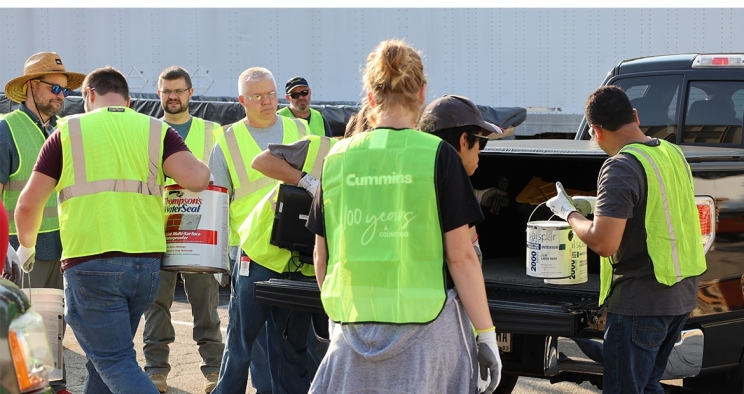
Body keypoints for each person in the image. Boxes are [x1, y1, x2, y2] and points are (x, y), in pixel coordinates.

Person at [306, 39, 502, 394]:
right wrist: (486, 334)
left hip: (352, 332)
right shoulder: (438, 155)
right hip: (428, 332)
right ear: (422, 93)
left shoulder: (336, 159)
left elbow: (323, 257)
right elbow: (461, 257)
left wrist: (341, 317)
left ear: (370, 97)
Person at [14, 66, 210, 394]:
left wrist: (27, 249)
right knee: (102, 362)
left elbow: (27, 205)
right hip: (145, 268)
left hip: (91, 265)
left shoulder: (68, 130)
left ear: (89, 95)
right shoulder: (154, 129)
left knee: (115, 361)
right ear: (129, 100)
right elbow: (197, 179)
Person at [546, 85, 706, 394]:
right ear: (635, 115)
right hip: (680, 296)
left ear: (594, 131)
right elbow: (656, 206)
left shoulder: (620, 167)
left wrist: (568, 213)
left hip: (640, 304)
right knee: (646, 386)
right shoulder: (670, 152)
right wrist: (597, 207)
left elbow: (605, 243)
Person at [210, 67, 308, 394]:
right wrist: (220, 260)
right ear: (242, 101)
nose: (267, 102)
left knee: (291, 348)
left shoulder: (300, 128)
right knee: (241, 347)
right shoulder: (226, 141)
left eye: (270, 94)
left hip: (297, 256)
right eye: (256, 97)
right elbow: (217, 204)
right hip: (250, 257)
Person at [0, 51, 85, 394]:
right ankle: (27, 387)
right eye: (54, 89)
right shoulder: (7, 130)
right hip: (21, 247)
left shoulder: (63, 129)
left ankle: (53, 384)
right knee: (23, 326)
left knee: (52, 322)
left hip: (61, 244)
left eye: (66, 91)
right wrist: (6, 247)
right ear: (31, 87)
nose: (61, 97)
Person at [142, 66, 225, 394]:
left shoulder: (212, 131)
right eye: (166, 91)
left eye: (178, 90)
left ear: (191, 93)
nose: (172, 96)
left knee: (205, 306)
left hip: (200, 234)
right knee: (156, 305)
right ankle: (156, 370)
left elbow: (224, 179)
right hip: (158, 230)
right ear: (158, 93)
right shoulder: (147, 131)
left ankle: (214, 369)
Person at [418, 94, 506, 263]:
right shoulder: (453, 198)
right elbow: (461, 261)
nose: (480, 150)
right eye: (481, 141)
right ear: (464, 140)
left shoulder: (410, 184)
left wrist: (475, 195)